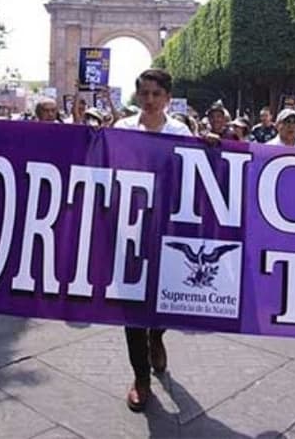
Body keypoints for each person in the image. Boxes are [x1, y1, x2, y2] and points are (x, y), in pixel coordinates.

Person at [113, 68, 192, 412]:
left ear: (167, 98)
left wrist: (216, 150)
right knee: (132, 304)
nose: (149, 100)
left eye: (156, 94)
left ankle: (156, 336)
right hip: (128, 229)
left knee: (162, 300)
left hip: (168, 229)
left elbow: (196, 172)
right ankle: (141, 377)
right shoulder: (121, 129)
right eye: (143, 93)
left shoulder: (181, 131)